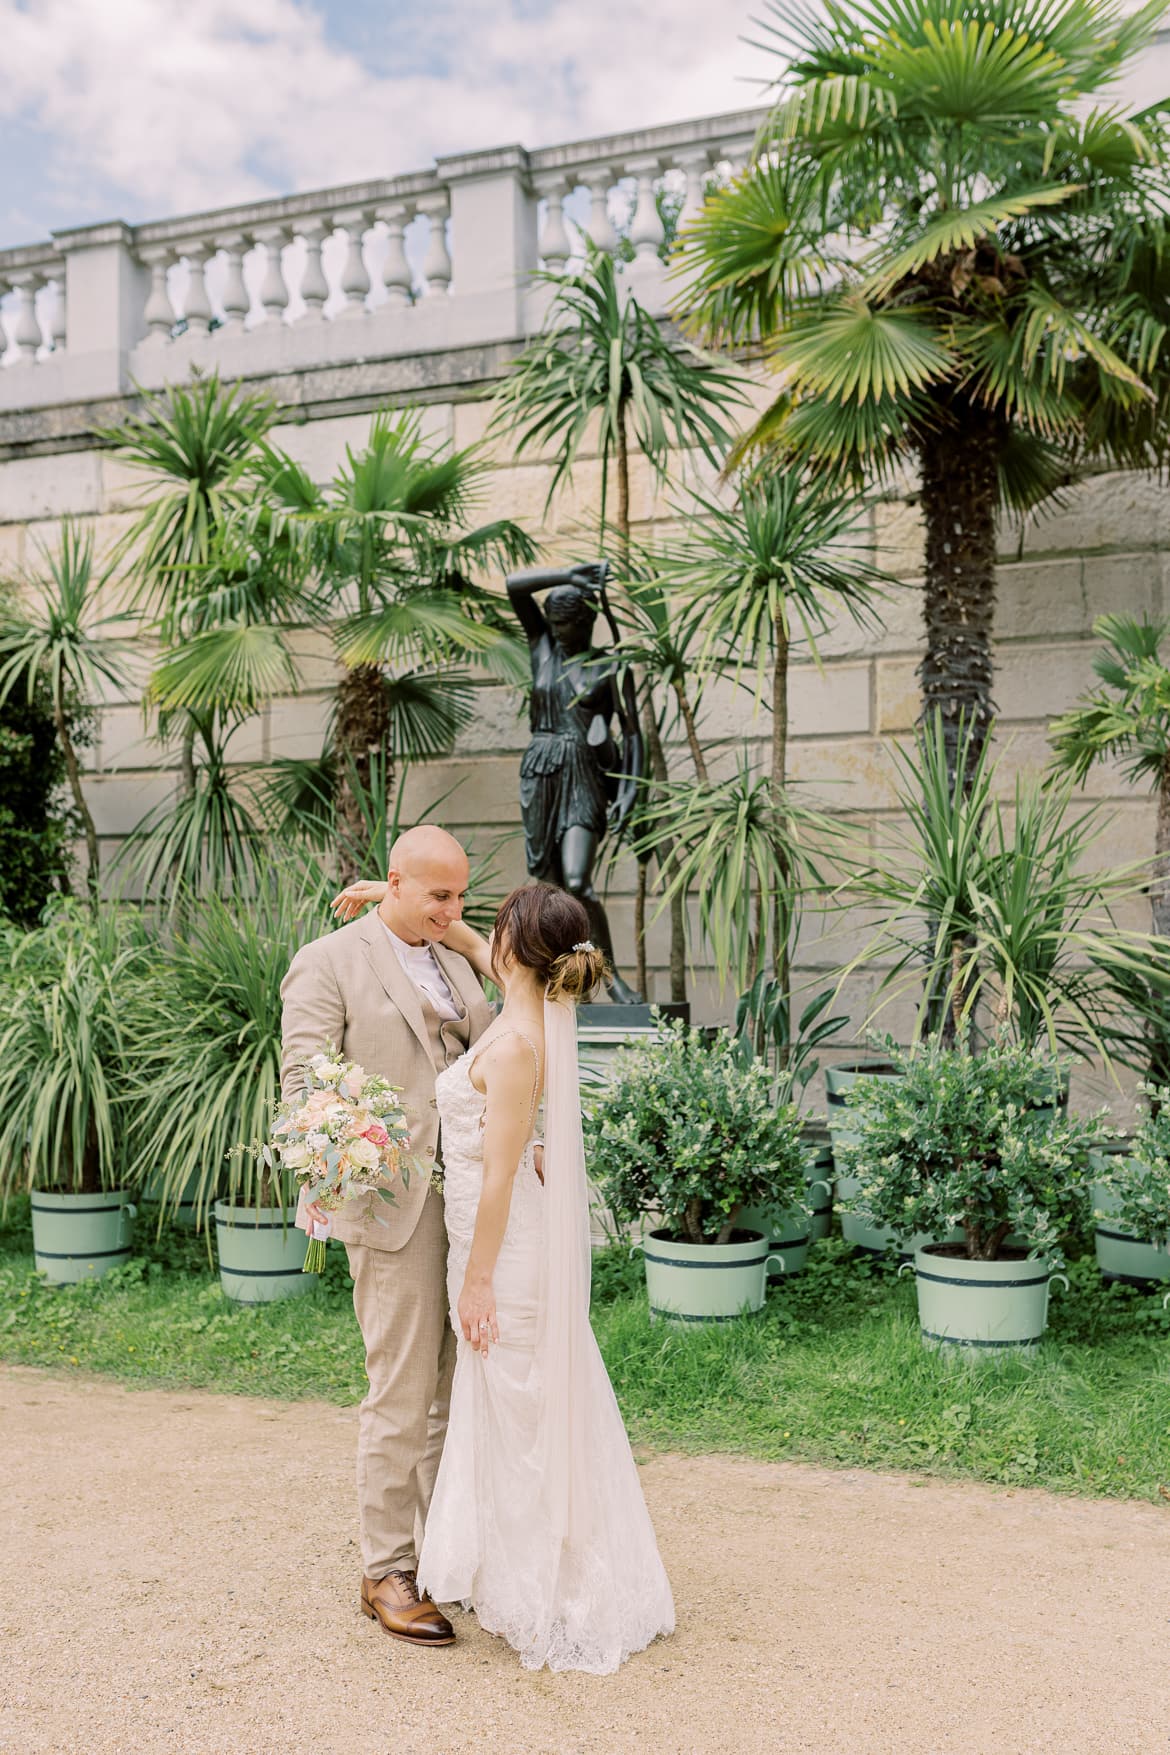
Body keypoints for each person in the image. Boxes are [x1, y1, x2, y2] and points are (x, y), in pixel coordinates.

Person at [334, 875, 675, 1673]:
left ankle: (545, 1583)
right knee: (509, 1406)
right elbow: (472, 946)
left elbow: (495, 1178)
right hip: (498, 1237)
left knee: (519, 1411)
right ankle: (517, 1565)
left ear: (517, 950)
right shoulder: (533, 1006)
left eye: (496, 923)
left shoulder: (520, 1045)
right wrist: (398, 903)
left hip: (504, 1251)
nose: (477, 928)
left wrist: (477, 1278)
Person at [280, 825, 493, 1649]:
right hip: (391, 1200)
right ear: (395, 883)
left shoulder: (449, 952)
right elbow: (304, 1082)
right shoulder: (329, 960)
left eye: (460, 897)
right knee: (400, 1388)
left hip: (472, 1195)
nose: (452, 910)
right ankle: (385, 1569)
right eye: (438, 895)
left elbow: (491, 1035)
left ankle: (444, 1549)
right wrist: (348, 1147)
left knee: (455, 1384)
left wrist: (452, 927)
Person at [506, 561, 644, 1004]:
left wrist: (629, 790)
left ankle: (610, 979)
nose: (560, 631)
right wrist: (568, 575)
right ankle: (561, 986)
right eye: (555, 623)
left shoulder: (610, 666)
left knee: (578, 884)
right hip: (541, 770)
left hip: (583, 773)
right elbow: (514, 586)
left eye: (568, 624)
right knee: (545, 891)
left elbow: (633, 733)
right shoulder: (542, 648)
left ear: (587, 622)